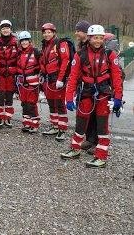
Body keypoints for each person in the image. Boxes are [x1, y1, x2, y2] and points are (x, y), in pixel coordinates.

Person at [60, 25, 123, 168]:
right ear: (89, 38)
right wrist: (69, 98)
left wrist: (118, 97)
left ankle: (101, 156)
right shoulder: (80, 54)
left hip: (103, 95)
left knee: (102, 126)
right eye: (95, 38)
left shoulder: (109, 55)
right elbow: (73, 77)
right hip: (86, 93)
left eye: (101, 38)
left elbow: (116, 77)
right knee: (81, 123)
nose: (98, 41)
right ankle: (75, 149)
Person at [40, 22, 70, 141]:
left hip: (57, 78)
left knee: (60, 104)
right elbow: (43, 61)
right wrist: (42, 74)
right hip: (48, 79)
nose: (47, 34)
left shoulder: (60, 43)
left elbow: (65, 61)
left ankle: (62, 129)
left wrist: (61, 78)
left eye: (49, 32)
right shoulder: (45, 45)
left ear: (54, 33)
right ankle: (54, 125)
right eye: (45, 33)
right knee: (51, 103)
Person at [74, 20, 98, 154]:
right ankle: (89, 139)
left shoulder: (94, 46)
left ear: (85, 32)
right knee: (86, 113)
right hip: (83, 87)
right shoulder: (81, 46)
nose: (76, 33)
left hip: (95, 87)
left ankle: (97, 143)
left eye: (78, 30)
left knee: (96, 116)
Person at [0, 20, 19, 128]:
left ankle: (8, 118)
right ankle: (0, 117)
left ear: (10, 29)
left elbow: (20, 57)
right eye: (3, 28)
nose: (5, 30)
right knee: (0, 96)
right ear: (0, 30)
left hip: (12, 74)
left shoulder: (16, 42)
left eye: (7, 28)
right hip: (1, 73)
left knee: (9, 96)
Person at [16, 31, 41, 133]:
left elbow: (41, 65)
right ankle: (26, 122)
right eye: (22, 41)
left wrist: (37, 70)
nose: (24, 42)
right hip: (22, 83)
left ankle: (34, 123)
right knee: (24, 103)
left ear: (29, 41)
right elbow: (17, 67)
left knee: (31, 103)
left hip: (33, 83)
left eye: (26, 40)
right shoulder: (19, 53)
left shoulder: (35, 52)